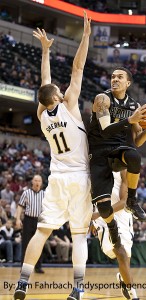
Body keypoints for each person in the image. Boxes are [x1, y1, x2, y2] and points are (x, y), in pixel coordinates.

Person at [13, 11, 92, 300]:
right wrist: (85, 37)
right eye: (60, 91)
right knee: (79, 235)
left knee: (42, 232)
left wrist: (45, 51)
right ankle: (77, 288)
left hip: (55, 179)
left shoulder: (41, 113)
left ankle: (22, 282)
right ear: (59, 97)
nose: (62, 89)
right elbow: (78, 67)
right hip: (79, 178)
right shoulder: (70, 104)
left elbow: (45, 83)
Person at [88, 66, 146, 285]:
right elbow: (105, 130)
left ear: (128, 83)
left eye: (120, 77)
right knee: (104, 208)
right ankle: (109, 228)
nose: (115, 79)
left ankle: (132, 201)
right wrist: (131, 119)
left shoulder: (134, 106)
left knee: (134, 156)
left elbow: (137, 140)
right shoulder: (102, 99)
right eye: (113, 76)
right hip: (99, 151)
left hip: (118, 151)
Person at [92, 170, 139, 299]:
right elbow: (90, 194)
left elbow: (123, 201)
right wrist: (92, 219)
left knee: (125, 256)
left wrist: (99, 214)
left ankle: (127, 285)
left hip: (121, 213)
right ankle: (133, 293)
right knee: (119, 253)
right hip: (102, 217)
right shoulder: (97, 164)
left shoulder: (122, 169)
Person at [15, 174, 45, 273]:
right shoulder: (26, 193)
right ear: (32, 182)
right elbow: (20, 206)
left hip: (39, 221)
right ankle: (24, 267)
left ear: (41, 183)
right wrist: (18, 219)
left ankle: (38, 267)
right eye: (35, 180)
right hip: (28, 220)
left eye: (39, 181)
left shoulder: (44, 194)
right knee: (26, 244)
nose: (37, 182)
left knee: (39, 244)